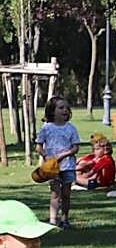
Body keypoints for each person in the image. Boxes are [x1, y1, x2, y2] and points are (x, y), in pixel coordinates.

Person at [35, 96, 80, 229]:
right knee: (55, 194)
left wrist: (64, 155)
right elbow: (38, 146)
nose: (65, 110)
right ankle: (53, 221)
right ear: (52, 111)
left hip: (68, 166)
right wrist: (45, 156)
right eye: (61, 108)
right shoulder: (46, 128)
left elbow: (75, 148)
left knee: (66, 194)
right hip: (52, 168)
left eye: (66, 108)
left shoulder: (71, 128)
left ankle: (64, 219)